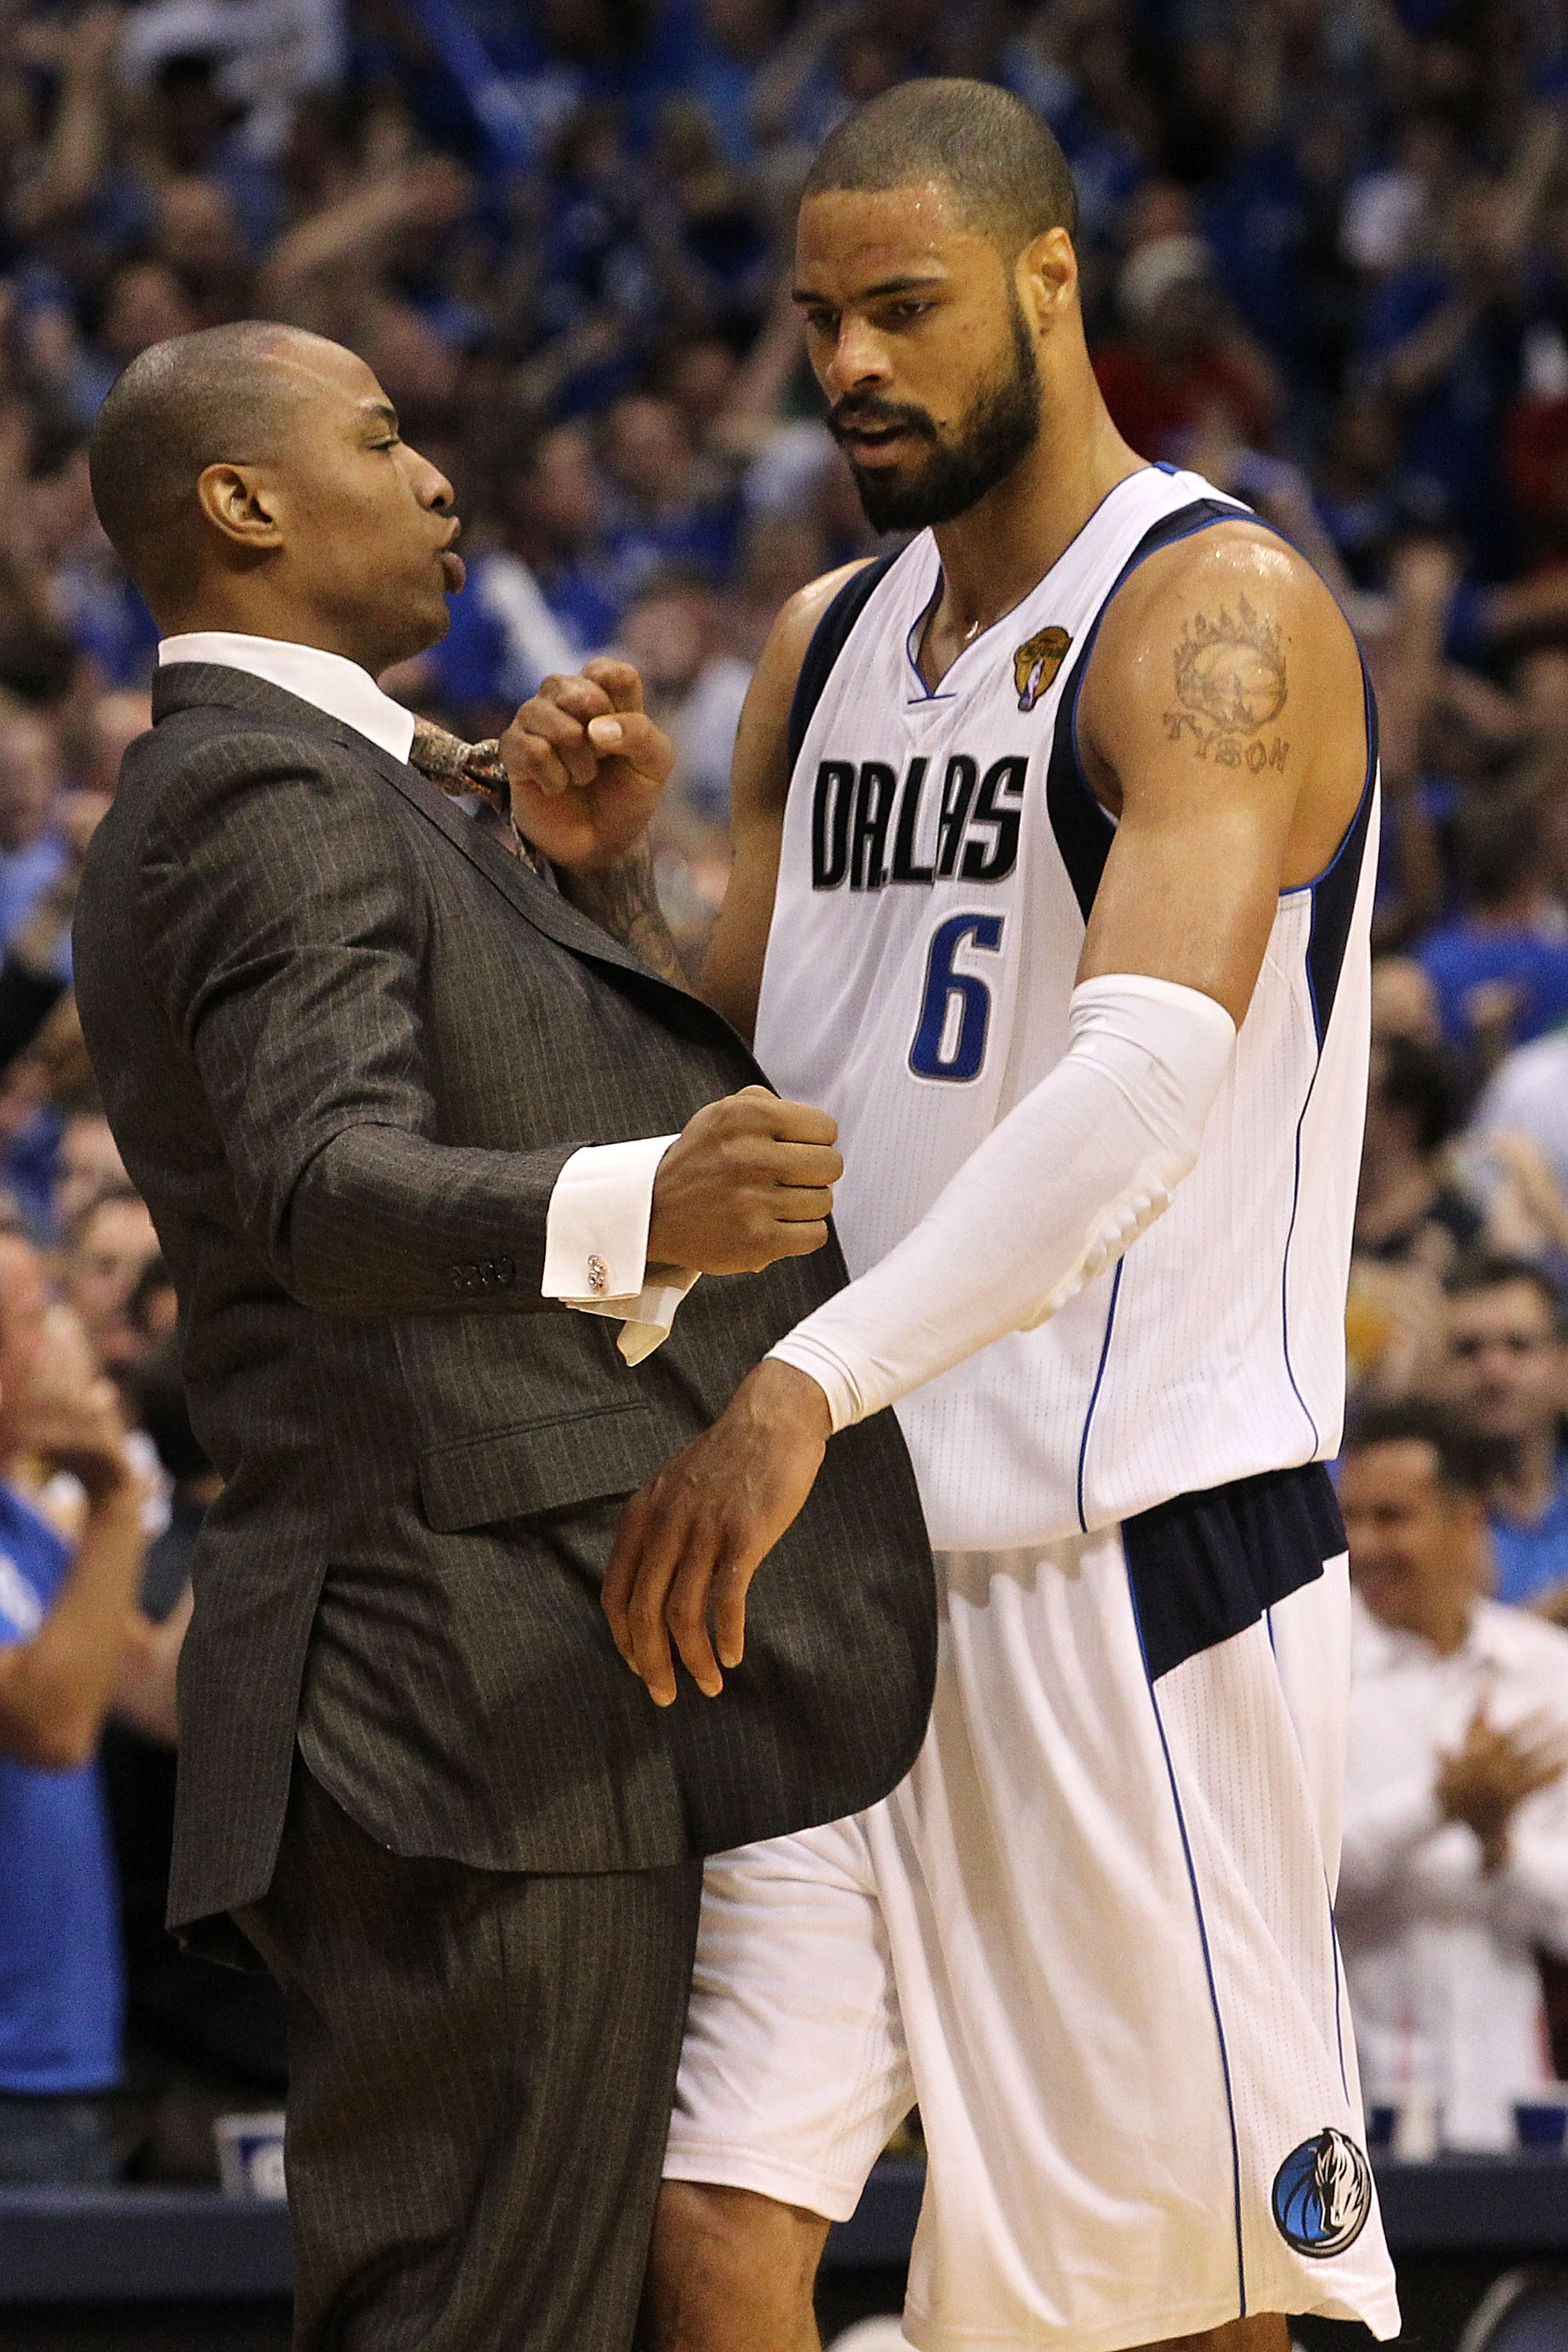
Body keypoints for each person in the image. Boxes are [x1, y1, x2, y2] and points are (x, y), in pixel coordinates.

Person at [539, 76, 1399, 2352]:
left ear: (1050, 284)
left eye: (902, 310)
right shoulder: (822, 645)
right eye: (818, 320)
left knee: (1203, 2303)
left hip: (1126, 1560)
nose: (846, 366)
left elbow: (1136, 1094)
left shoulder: (1218, 615)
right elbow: (729, 1070)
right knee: (719, 2230)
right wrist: (608, 893)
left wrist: (806, 1385)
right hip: (827, 1573)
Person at [71, 321, 932, 2352]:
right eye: (379, 439)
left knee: (505, 2306)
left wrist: (603, 881)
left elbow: (536, 1081)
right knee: (476, 2317)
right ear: (244, 503)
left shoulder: (356, 784)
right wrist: (647, 1201)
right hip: (446, 1669)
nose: (438, 477)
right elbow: (318, 1179)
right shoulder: (260, 793)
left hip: (486, 1668)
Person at [1338, 1399, 1568, 2151]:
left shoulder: (1544, 1670)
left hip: (1518, 2095)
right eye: (1353, 1517)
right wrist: (1441, 1802)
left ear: (1466, 1518)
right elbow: (1309, 1879)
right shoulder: (1314, 1669)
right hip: (1355, 2098)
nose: (1363, 1545)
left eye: (1392, 1518)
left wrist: (1502, 1845)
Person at [0, 1232, 174, 2186]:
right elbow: (52, 1725)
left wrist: (256, 1485)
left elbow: (159, 1699)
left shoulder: (22, 1520)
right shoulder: (77, 1507)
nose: (65, 1340)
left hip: (60, 2061)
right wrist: (115, 1498)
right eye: (37, 1317)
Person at [1441, 1252, 1568, 1609]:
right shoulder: (1397, 1508)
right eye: (1468, 1350)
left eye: (1519, 1346)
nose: (1494, 1371)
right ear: (1435, 1370)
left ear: (1562, 1365)